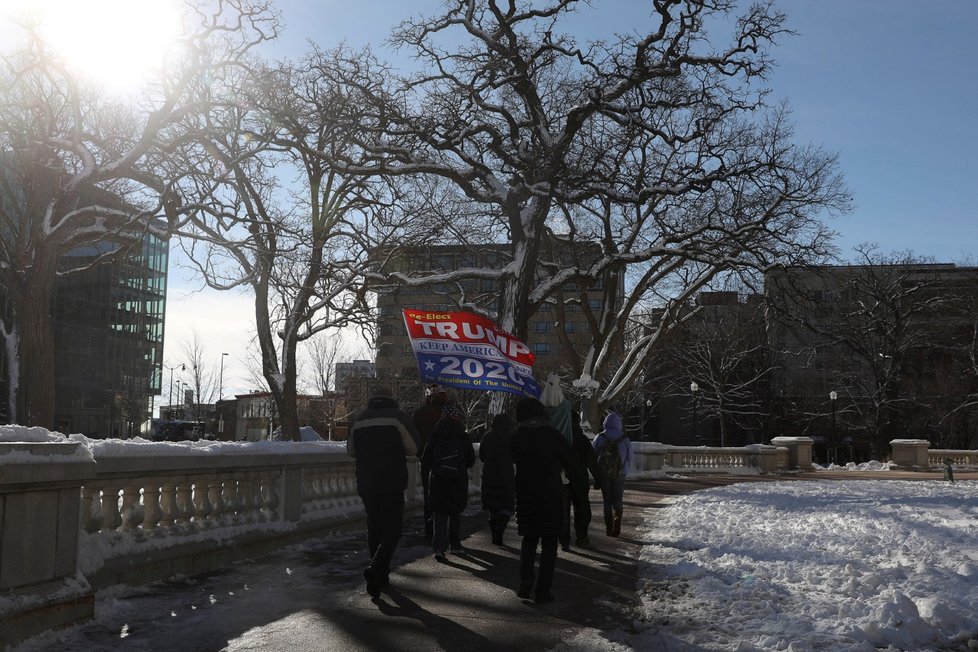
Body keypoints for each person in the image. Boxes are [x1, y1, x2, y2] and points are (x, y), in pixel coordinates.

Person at [348, 386, 420, 598]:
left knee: (375, 527)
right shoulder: (398, 417)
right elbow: (414, 447)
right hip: (392, 481)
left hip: (366, 481)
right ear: (391, 398)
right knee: (392, 530)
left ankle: (379, 578)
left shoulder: (359, 419)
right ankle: (377, 569)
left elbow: (350, 451)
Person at [511, 396, 576, 605]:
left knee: (529, 540)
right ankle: (543, 590)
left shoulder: (518, 437)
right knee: (549, 543)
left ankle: (525, 581)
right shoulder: (552, 435)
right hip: (551, 494)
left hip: (526, 494)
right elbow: (571, 459)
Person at [420, 401, 476, 559]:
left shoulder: (435, 434)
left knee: (440, 513)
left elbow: (426, 459)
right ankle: (455, 545)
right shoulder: (462, 434)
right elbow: (471, 460)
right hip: (458, 480)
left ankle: (439, 548)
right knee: (455, 512)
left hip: (438, 479)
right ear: (456, 416)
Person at [413, 387, 450, 538]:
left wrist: (419, 451)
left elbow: (413, 433)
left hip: (427, 458)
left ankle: (430, 525)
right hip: (448, 460)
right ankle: (445, 528)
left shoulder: (421, 412)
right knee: (447, 493)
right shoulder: (450, 413)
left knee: (429, 493)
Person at [592, 410, 631, 537]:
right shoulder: (624, 438)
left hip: (604, 474)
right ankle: (617, 523)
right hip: (620, 473)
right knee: (618, 499)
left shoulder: (600, 437)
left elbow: (593, 456)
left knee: (607, 500)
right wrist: (624, 470)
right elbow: (630, 458)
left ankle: (609, 527)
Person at [479, 413, 516, 546]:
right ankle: (501, 525)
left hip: (490, 474)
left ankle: (494, 526)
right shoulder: (511, 438)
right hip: (506, 475)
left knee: (493, 505)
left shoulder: (488, 437)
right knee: (506, 504)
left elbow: (482, 455)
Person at [565, 410, 598, 546]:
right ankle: (582, 536)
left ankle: (564, 539)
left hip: (564, 478)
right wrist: (598, 478)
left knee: (563, 509)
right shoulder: (583, 439)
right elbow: (592, 461)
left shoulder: (561, 437)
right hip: (580, 477)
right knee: (582, 508)